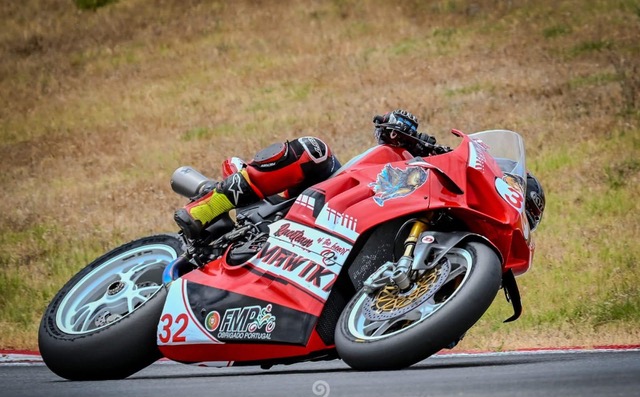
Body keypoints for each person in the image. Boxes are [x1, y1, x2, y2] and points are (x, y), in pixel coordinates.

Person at [174, 110, 545, 238]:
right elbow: (389, 142)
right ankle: (207, 206)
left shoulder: (469, 263)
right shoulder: (441, 173)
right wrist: (404, 133)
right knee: (314, 150)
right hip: (330, 198)